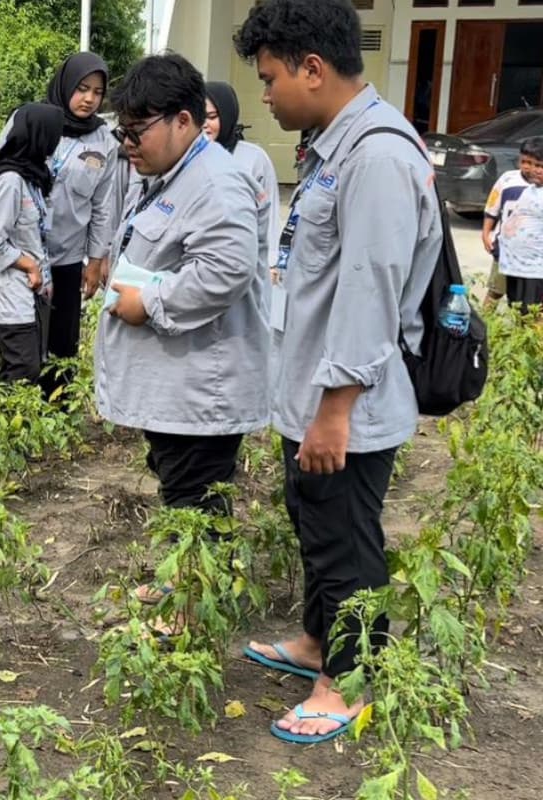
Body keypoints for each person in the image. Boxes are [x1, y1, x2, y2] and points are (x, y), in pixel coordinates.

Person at [235, 0, 442, 744]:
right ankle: (321, 642)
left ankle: (350, 680)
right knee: (314, 525)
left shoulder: (379, 156)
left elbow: (370, 287)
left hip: (345, 404)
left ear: (312, 70)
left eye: (269, 79)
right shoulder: (337, 147)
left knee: (346, 540)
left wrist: (335, 409)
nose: (264, 95)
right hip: (317, 395)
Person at [95, 54, 269, 606]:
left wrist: (148, 302)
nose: (128, 143)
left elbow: (226, 270)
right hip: (179, 382)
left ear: (184, 122)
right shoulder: (172, 175)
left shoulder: (215, 183)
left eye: (137, 130)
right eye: (123, 130)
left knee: (196, 495)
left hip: (202, 385)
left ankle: (194, 607)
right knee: (182, 488)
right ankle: (183, 585)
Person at [0, 53, 118, 397]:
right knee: (1, 329)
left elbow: (104, 204)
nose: (89, 99)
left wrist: (96, 259)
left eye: (97, 92)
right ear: (65, 85)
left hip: (65, 254)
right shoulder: (33, 119)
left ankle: (53, 411)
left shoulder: (104, 141)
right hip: (20, 249)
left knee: (59, 336)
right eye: (81, 89)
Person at [0, 103, 64, 399]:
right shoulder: (10, 182)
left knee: (16, 365)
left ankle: (3, 431)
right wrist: (29, 266)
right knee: (24, 369)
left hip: (26, 294)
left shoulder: (30, 177)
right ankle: (3, 433)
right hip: (10, 294)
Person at [203, 81, 281, 275]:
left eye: (211, 117)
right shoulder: (189, 158)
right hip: (203, 262)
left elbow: (269, 214)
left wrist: (272, 261)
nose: (204, 124)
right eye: (199, 117)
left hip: (246, 262)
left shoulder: (254, 158)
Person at [483, 138, 543, 310]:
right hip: (504, 252)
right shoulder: (508, 179)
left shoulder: (537, 188)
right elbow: (492, 208)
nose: (528, 167)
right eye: (524, 161)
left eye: (535, 164)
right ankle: (485, 327)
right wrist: (486, 233)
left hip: (533, 262)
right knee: (496, 292)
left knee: (530, 307)